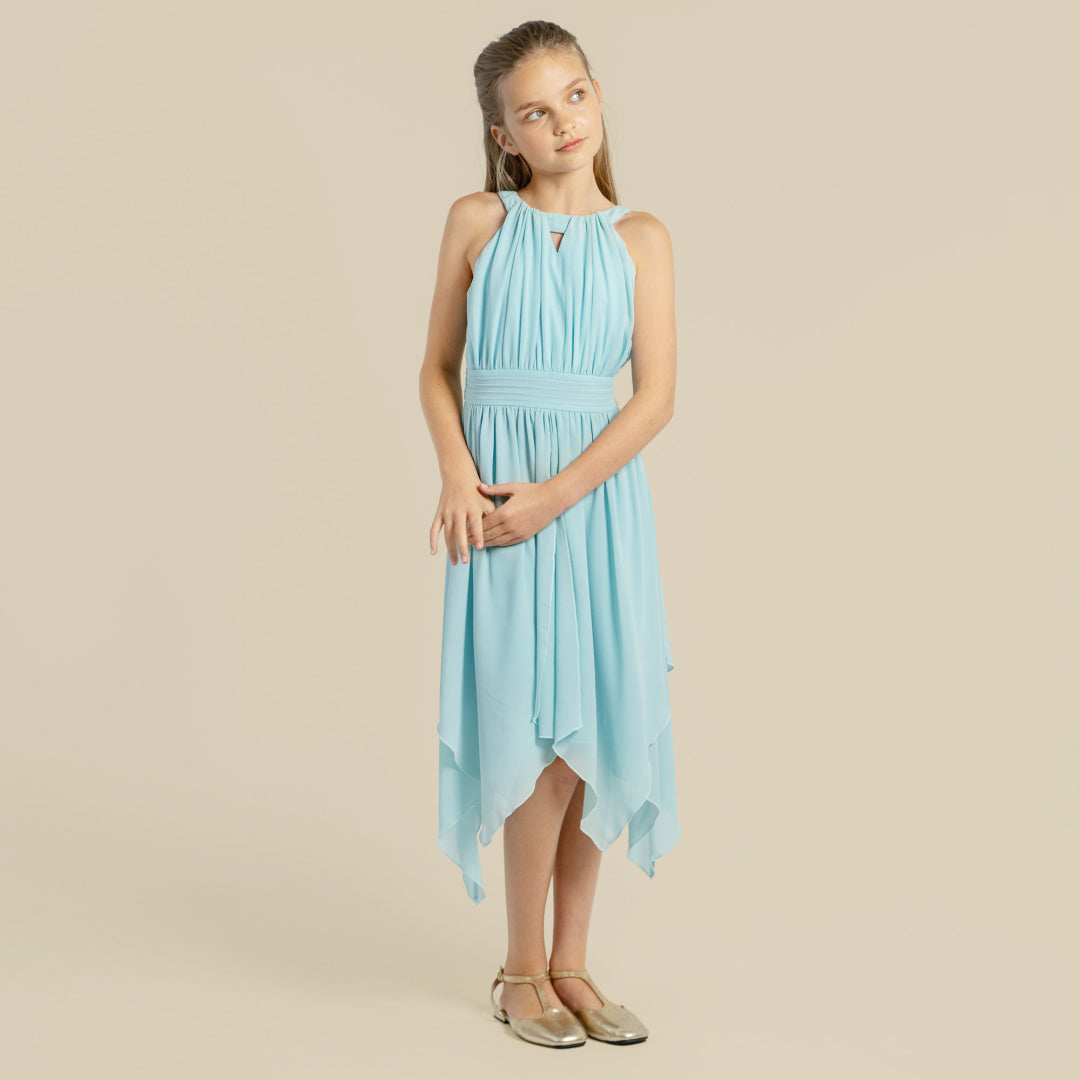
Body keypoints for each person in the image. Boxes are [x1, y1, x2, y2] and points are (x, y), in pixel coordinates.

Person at [418, 20, 679, 1049]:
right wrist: (457, 472)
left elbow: (654, 400)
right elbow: (437, 368)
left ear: (598, 96)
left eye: (575, 95)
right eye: (535, 111)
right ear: (504, 135)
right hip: (498, 502)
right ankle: (518, 968)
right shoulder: (479, 221)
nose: (563, 121)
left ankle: (572, 963)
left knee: (596, 725)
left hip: (593, 502)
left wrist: (556, 497)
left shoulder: (641, 238)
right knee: (532, 729)